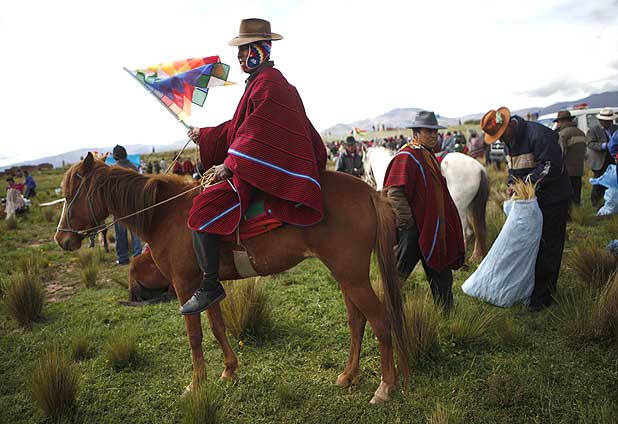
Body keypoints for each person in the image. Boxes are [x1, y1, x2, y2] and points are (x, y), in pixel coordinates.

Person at [181, 18, 327, 314]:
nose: (239, 56)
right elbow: (239, 127)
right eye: (239, 49)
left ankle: (210, 284)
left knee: (202, 210)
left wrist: (230, 165)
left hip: (262, 169)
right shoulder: (260, 83)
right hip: (254, 163)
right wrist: (205, 135)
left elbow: (256, 133)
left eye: (244, 49)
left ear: (261, 49)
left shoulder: (269, 84)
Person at [481, 107, 571, 312]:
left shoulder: (538, 135)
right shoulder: (508, 143)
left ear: (509, 125)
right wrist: (512, 185)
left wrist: (524, 184)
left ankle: (543, 298)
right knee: (534, 246)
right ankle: (532, 290)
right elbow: (513, 169)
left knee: (549, 246)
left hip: (553, 200)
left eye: (500, 135)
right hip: (532, 202)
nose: (500, 140)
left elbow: (551, 166)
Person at [384, 111, 465, 313]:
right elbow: (394, 192)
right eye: (428, 131)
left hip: (432, 228)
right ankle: (386, 310)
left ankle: (446, 313)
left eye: (435, 131)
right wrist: (410, 225)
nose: (433, 135)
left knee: (440, 269)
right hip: (413, 230)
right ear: (416, 133)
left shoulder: (426, 154)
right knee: (398, 274)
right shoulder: (406, 156)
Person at [111, 145, 142, 265]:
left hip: (119, 208)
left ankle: (123, 257)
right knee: (136, 234)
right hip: (134, 205)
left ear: (115, 156)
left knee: (120, 235)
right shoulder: (134, 167)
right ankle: (138, 256)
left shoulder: (113, 170)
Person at [586, 108, 618, 208]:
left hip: (612, 159)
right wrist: (605, 145)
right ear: (600, 120)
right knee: (598, 182)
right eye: (605, 121)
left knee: (612, 181)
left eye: (609, 120)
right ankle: (596, 204)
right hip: (600, 161)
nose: (608, 123)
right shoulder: (593, 130)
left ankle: (610, 202)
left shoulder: (615, 128)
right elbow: (590, 143)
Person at [554, 110, 586, 206]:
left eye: (558, 122)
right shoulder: (581, 133)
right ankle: (577, 212)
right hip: (579, 169)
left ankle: (569, 213)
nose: (557, 124)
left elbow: (560, 153)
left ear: (562, 121)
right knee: (576, 194)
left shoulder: (563, 134)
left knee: (566, 196)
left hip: (566, 171)